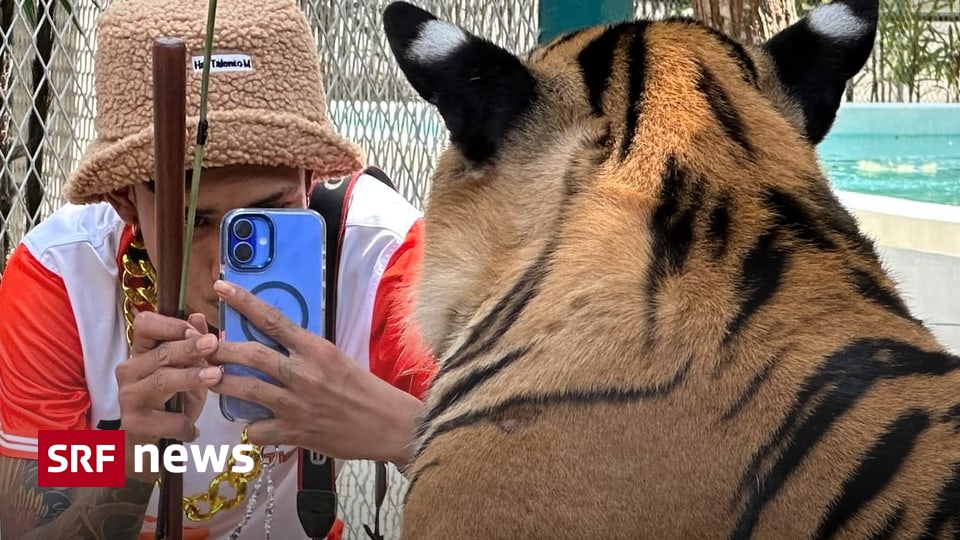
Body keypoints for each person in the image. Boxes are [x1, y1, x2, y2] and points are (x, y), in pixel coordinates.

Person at [0, 0, 438, 538]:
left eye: (269, 214)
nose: (224, 269)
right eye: (194, 223)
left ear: (310, 178)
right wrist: (130, 457)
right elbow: (26, 522)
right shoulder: (62, 277)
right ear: (124, 202)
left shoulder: (380, 257)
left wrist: (401, 431)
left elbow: (521, 479)